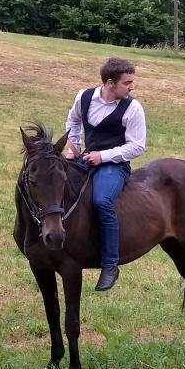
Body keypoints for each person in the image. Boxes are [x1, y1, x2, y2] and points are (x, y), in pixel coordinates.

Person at [64, 57, 147, 291]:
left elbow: (137, 146)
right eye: (128, 82)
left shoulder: (133, 108)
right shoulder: (84, 97)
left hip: (115, 165)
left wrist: (103, 156)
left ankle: (110, 264)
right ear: (110, 83)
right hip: (86, 158)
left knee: (101, 201)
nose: (132, 87)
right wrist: (73, 146)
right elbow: (73, 120)